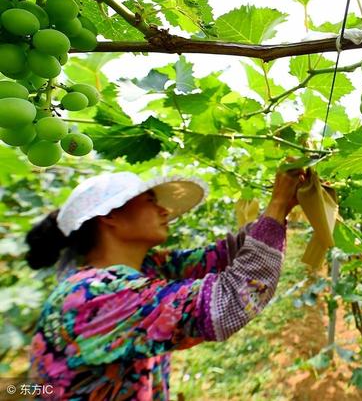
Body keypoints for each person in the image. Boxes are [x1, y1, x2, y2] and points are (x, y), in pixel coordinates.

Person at [26, 168, 305, 400]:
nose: (163, 209)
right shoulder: (92, 296)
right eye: (150, 200)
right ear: (109, 215)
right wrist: (277, 205)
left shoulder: (147, 267)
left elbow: (221, 257)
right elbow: (229, 299)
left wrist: (279, 209)